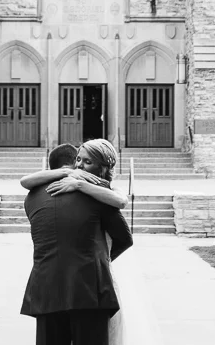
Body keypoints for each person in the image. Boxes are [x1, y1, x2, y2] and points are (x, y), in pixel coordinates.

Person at [20, 140, 133, 345]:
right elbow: (124, 239)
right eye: (78, 160)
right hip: (90, 289)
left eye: (86, 161)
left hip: (45, 287)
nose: (80, 166)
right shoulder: (99, 193)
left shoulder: (32, 197)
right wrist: (101, 261)